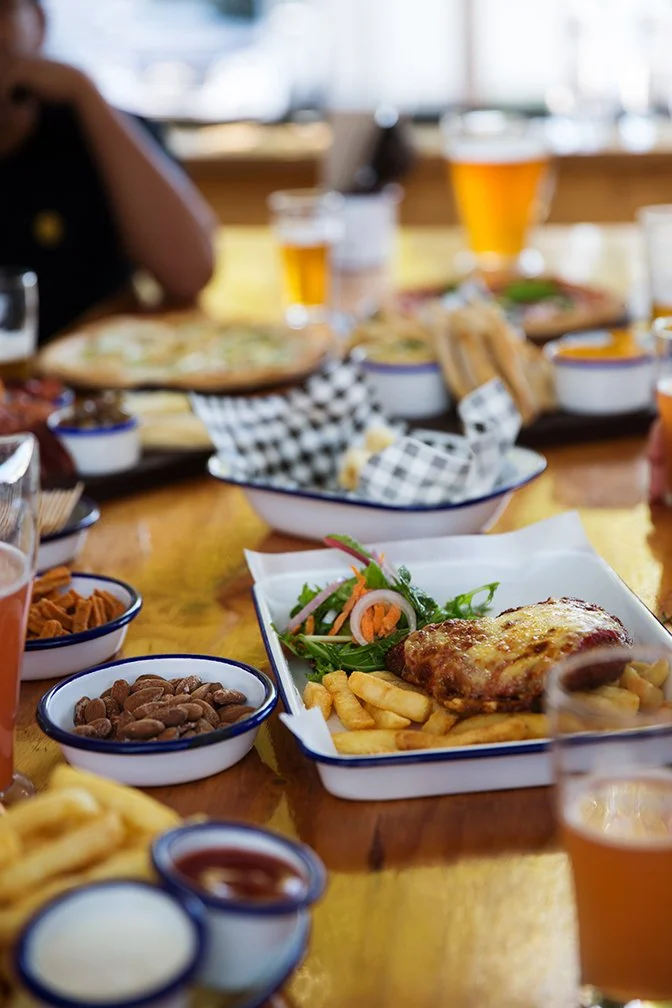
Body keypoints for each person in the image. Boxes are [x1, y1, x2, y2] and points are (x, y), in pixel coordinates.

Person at [0, 0, 217, 343]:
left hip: (94, 379)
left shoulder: (101, 131)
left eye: (4, 9)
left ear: (38, 21)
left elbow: (190, 273)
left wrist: (85, 92)